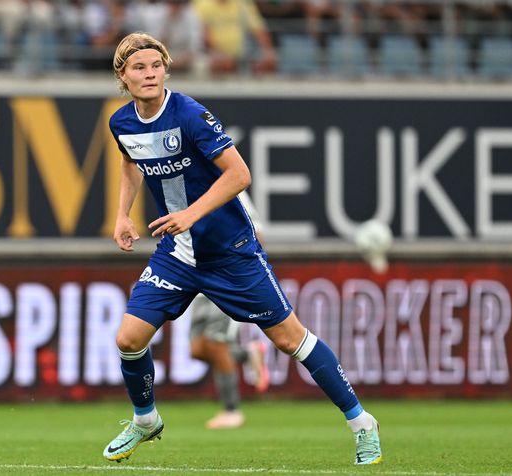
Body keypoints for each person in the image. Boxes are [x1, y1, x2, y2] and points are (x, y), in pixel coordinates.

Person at [103, 31, 382, 466]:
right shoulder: (121, 122)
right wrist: (123, 214)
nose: (150, 74)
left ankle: (362, 424)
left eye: (156, 65)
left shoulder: (190, 114)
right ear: (123, 75)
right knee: (128, 337)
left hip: (230, 251)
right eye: (139, 67)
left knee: (292, 339)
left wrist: (191, 214)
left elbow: (239, 174)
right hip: (179, 252)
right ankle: (145, 420)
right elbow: (128, 160)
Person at [189, 190, 269, 430]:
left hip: (224, 280)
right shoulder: (187, 186)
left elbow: (257, 233)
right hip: (197, 280)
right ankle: (247, 354)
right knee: (198, 350)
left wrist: (238, 271)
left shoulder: (229, 187)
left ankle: (231, 410)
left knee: (216, 343)